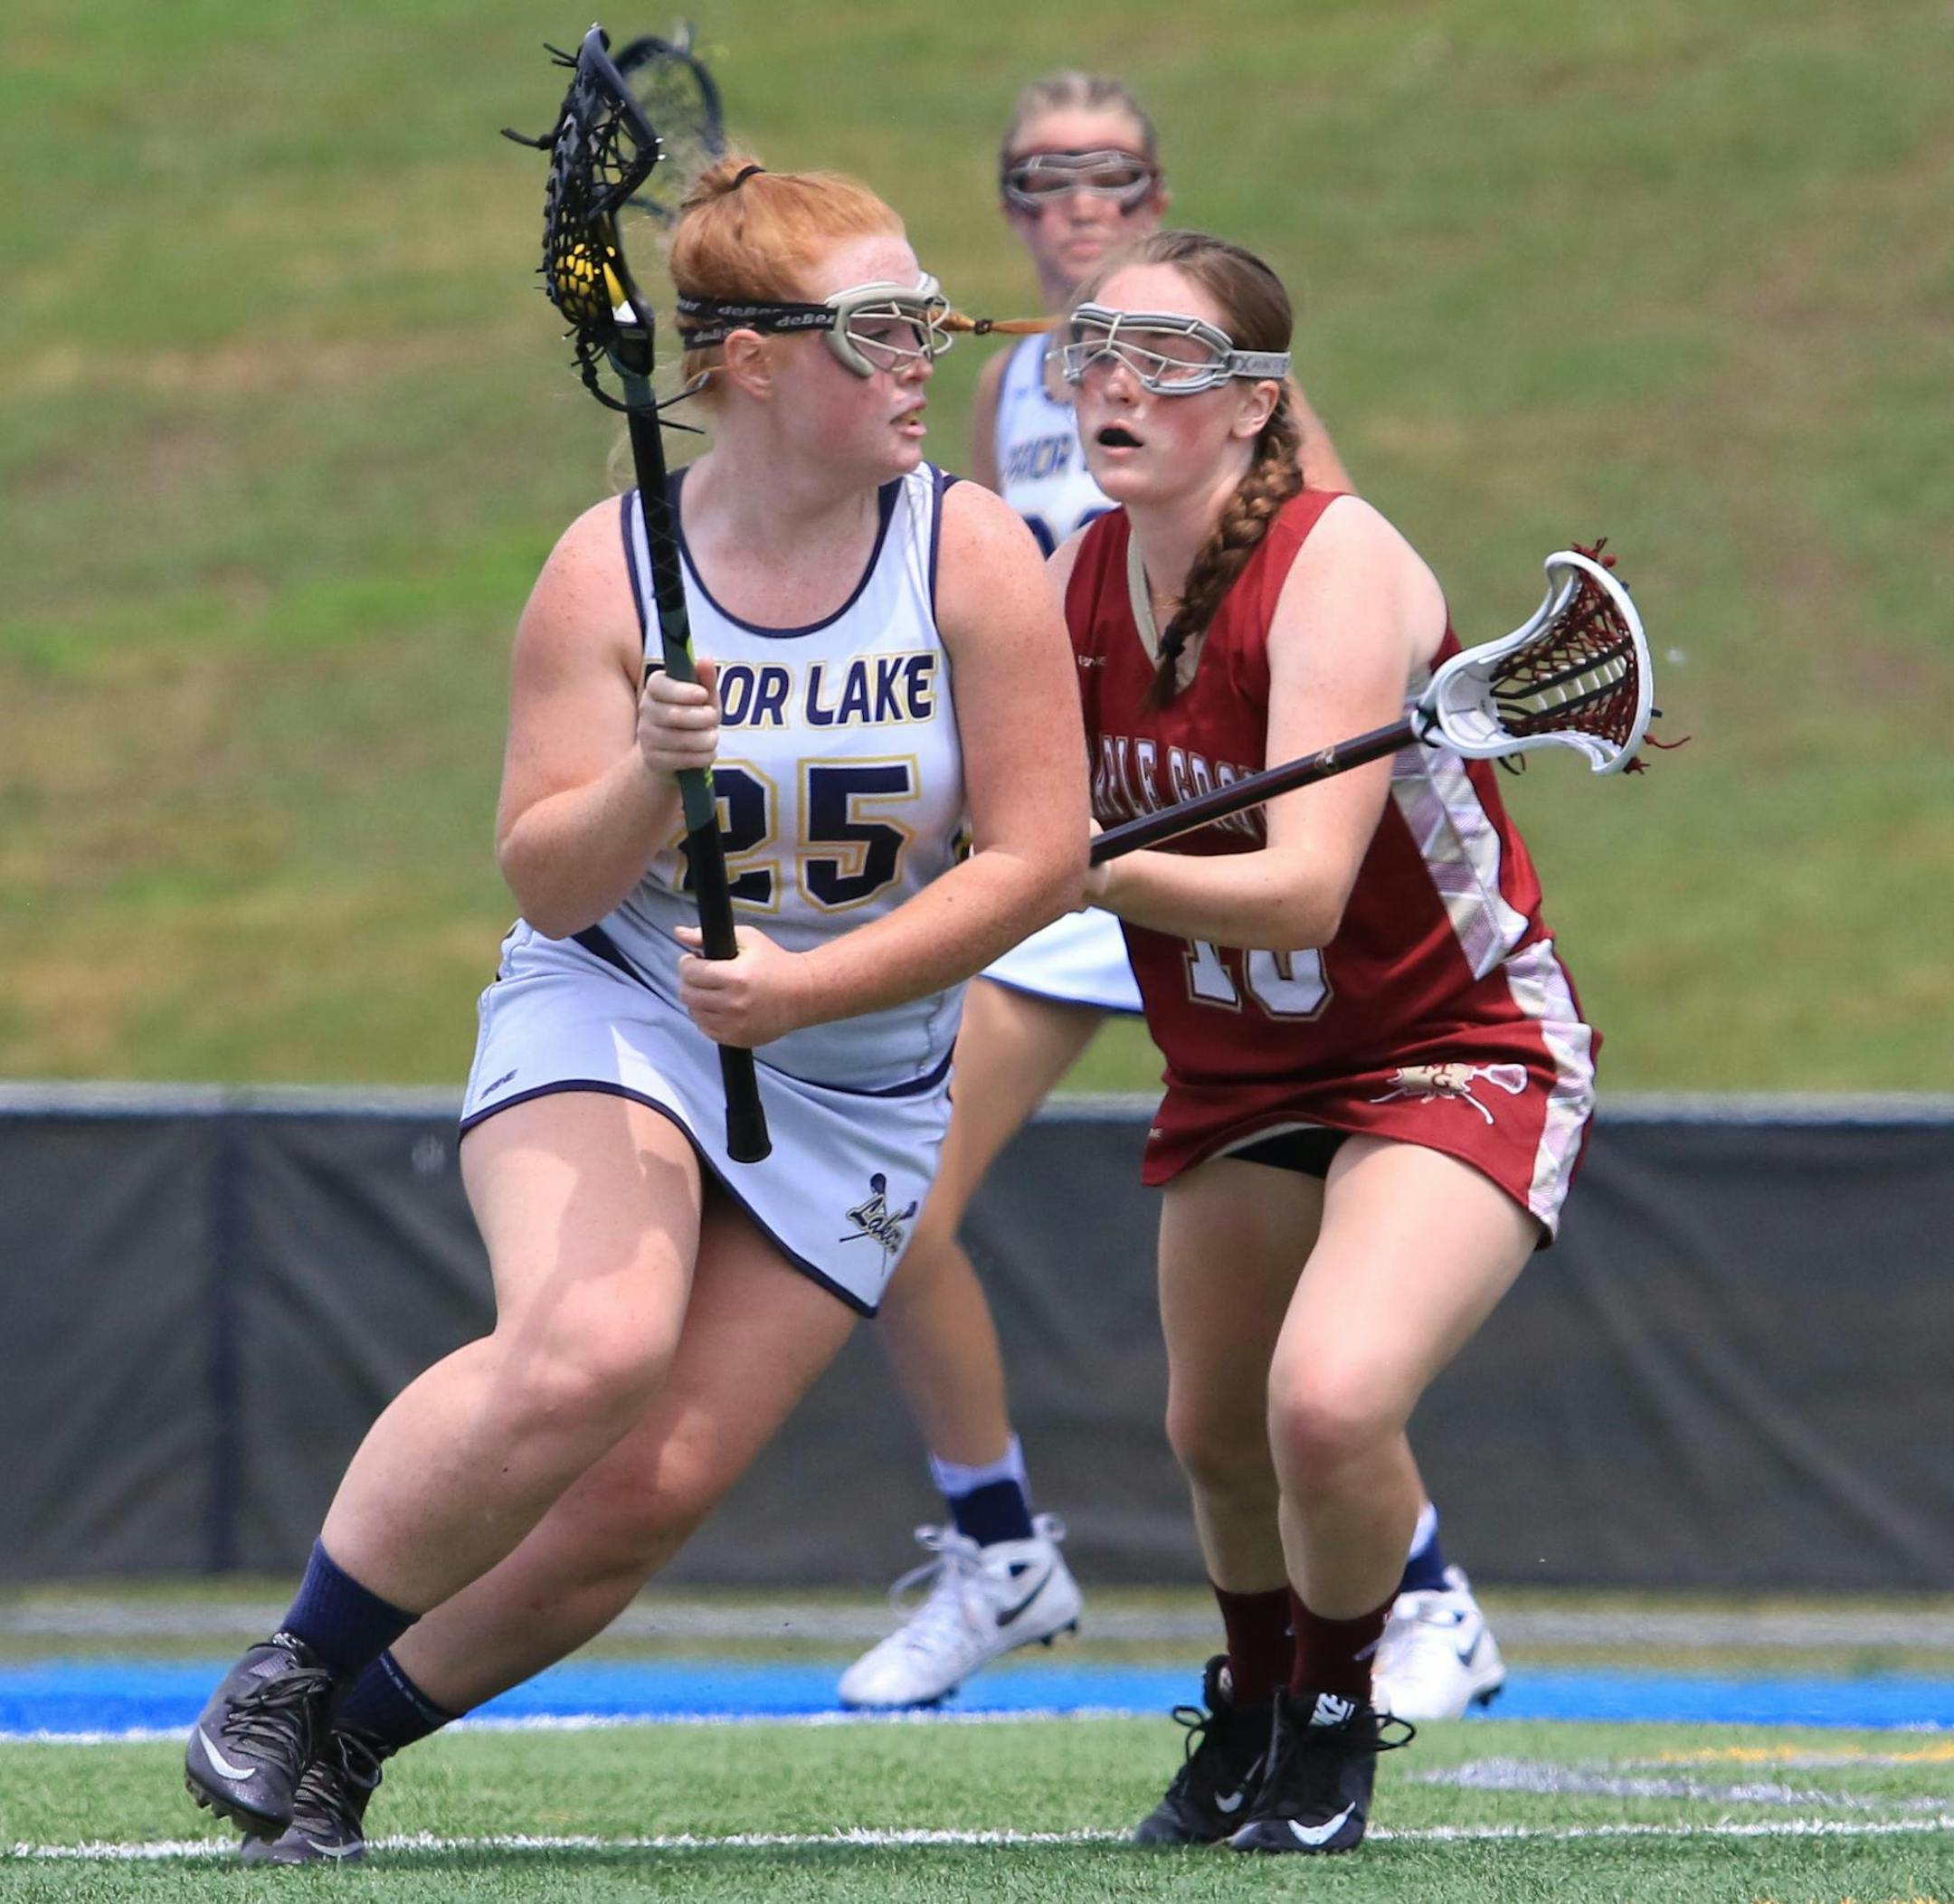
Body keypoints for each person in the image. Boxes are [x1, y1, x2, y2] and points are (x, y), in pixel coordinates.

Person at [181, 155, 1086, 1863]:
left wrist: (815, 984)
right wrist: (652, 785)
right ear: (750, 361)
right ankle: (291, 1668)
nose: (927, 358)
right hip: (630, 1004)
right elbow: (544, 877)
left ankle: (347, 1751)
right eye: (881, 327)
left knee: (645, 1496)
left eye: (928, 320)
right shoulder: (611, 570)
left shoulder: (971, 553)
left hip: (864, 1075)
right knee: (591, 1346)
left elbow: (1037, 862)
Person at [839, 71, 1503, 1725]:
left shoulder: (1239, 395)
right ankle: (1000, 1547)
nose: (1074, 204)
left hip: (1230, 837)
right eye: (1039, 177)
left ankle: (1424, 1597)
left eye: (1109, 175)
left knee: (1310, 1352)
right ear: (1006, 206)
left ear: (1153, 195)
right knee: (900, 1202)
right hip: (1101, 827)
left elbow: (1340, 575)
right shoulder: (1002, 393)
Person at [1054, 230, 1597, 1853]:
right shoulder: (1076, 577)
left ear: (1254, 404)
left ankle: (1339, 1723)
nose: (1118, 383)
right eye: (1096, 348)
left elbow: (1296, 893)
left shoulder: (1339, 564)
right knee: (1212, 1435)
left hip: (1453, 1038)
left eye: (1169, 360)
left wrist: (1071, 864)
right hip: (1241, 1069)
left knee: (1329, 1402)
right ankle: (1251, 1711)